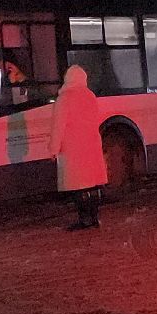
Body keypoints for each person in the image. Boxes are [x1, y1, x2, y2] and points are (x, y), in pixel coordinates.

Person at [48, 64, 108, 230]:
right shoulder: (90, 96)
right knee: (93, 184)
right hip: (92, 145)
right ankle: (94, 217)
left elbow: (57, 127)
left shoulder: (64, 99)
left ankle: (84, 219)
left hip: (73, 149)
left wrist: (53, 149)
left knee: (78, 186)